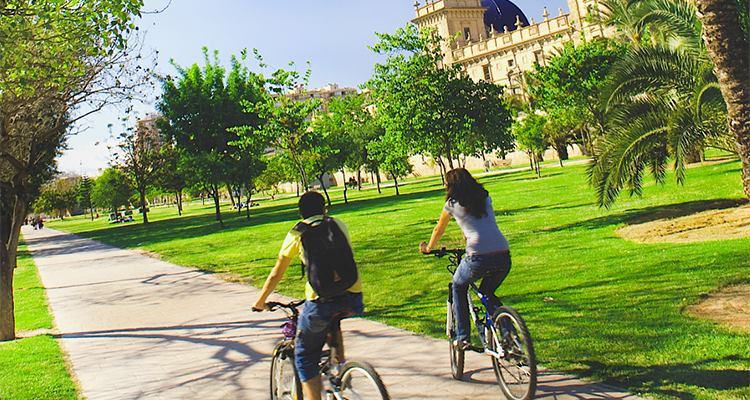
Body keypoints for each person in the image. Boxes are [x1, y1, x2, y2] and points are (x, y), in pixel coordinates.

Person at [253, 191, 363, 400]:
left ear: (301, 213)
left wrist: (260, 301)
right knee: (333, 321)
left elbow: (277, 272)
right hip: (353, 295)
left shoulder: (298, 233)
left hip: (320, 301)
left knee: (304, 357)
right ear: (324, 209)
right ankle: (340, 372)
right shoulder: (338, 224)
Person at [419, 168, 511, 350]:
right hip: (503, 254)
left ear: (451, 186)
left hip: (478, 257)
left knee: (458, 285)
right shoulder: (484, 198)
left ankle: (463, 336)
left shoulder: (452, 204)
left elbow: (439, 229)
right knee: (487, 293)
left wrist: (429, 248)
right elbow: (479, 222)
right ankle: (509, 336)